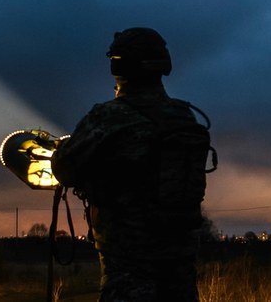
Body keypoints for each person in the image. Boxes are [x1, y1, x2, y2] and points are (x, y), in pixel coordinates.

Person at [51, 27, 213, 302]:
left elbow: (64, 169)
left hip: (129, 260)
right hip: (181, 257)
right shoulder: (184, 116)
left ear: (117, 65)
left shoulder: (109, 117)